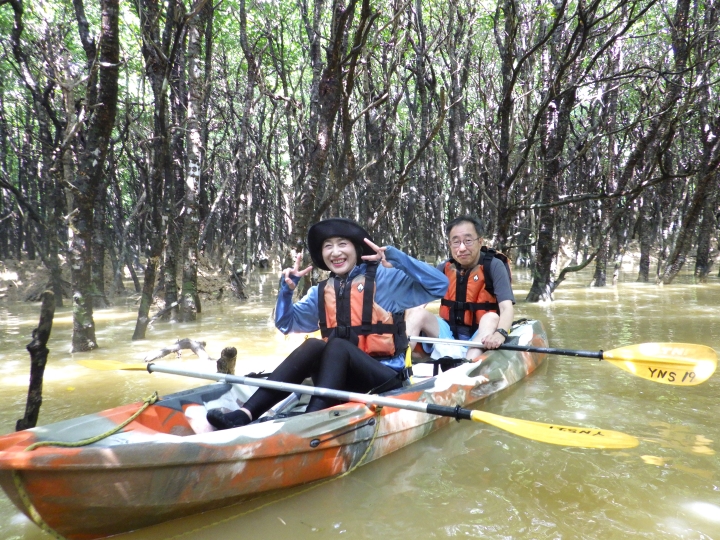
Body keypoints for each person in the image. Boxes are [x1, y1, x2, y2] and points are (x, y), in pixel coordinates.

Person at [206, 217, 449, 430]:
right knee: (314, 345)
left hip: (384, 380)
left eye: (342, 244)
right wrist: (286, 292)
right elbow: (286, 324)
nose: (335, 252)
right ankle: (245, 413)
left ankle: (311, 418)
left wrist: (396, 258)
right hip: (340, 380)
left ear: (356, 249)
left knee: (338, 346)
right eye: (328, 246)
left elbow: (440, 285)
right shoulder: (320, 291)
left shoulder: (384, 279)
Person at [405, 215, 514, 362]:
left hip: (480, 334)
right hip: (448, 334)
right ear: (450, 245)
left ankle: (469, 363)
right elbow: (418, 305)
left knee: (491, 317)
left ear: (480, 241)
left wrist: (500, 334)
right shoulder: (444, 268)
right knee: (417, 313)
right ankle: (401, 361)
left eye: (468, 241)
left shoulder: (494, 266)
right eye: (456, 242)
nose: (462, 248)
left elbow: (506, 308)